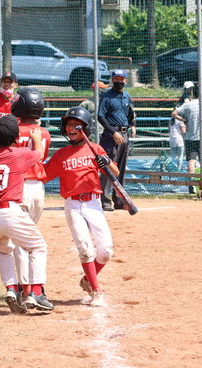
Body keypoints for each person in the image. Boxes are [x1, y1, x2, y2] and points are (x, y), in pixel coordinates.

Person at [0, 114, 52, 314]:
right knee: (37, 247)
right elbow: (39, 154)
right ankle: (36, 292)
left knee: (3, 251)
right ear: (14, 138)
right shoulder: (18, 154)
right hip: (7, 211)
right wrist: (36, 140)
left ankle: (11, 289)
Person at [44, 107, 117, 307]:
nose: (71, 128)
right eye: (68, 124)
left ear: (85, 128)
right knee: (85, 249)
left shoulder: (95, 149)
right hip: (73, 204)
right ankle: (96, 290)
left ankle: (87, 280)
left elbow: (115, 172)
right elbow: (43, 174)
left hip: (94, 203)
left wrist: (107, 162)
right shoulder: (61, 154)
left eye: (76, 125)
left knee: (106, 251)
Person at [10, 88, 51, 300]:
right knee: (31, 237)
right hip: (38, 190)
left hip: (19, 188)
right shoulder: (44, 133)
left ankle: (26, 289)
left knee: (20, 242)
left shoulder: (13, 129)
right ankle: (34, 288)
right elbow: (41, 157)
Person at [97, 69, 135, 211]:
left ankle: (119, 200)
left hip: (125, 134)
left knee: (121, 169)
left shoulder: (126, 96)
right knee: (108, 167)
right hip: (111, 136)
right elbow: (100, 116)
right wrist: (113, 132)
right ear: (112, 80)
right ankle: (104, 201)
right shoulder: (107, 96)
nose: (119, 81)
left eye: (122, 79)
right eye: (116, 79)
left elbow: (131, 114)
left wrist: (133, 126)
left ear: (126, 80)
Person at [171, 82, 202, 192]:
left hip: (190, 137)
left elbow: (174, 113)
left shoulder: (188, 105)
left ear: (193, 93)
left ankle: (191, 183)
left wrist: (183, 120)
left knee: (191, 161)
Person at [169, 86, 188, 171]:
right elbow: (183, 131)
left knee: (173, 155)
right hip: (179, 140)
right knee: (180, 156)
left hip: (172, 139)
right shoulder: (180, 120)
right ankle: (179, 169)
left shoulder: (170, 120)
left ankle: (172, 168)